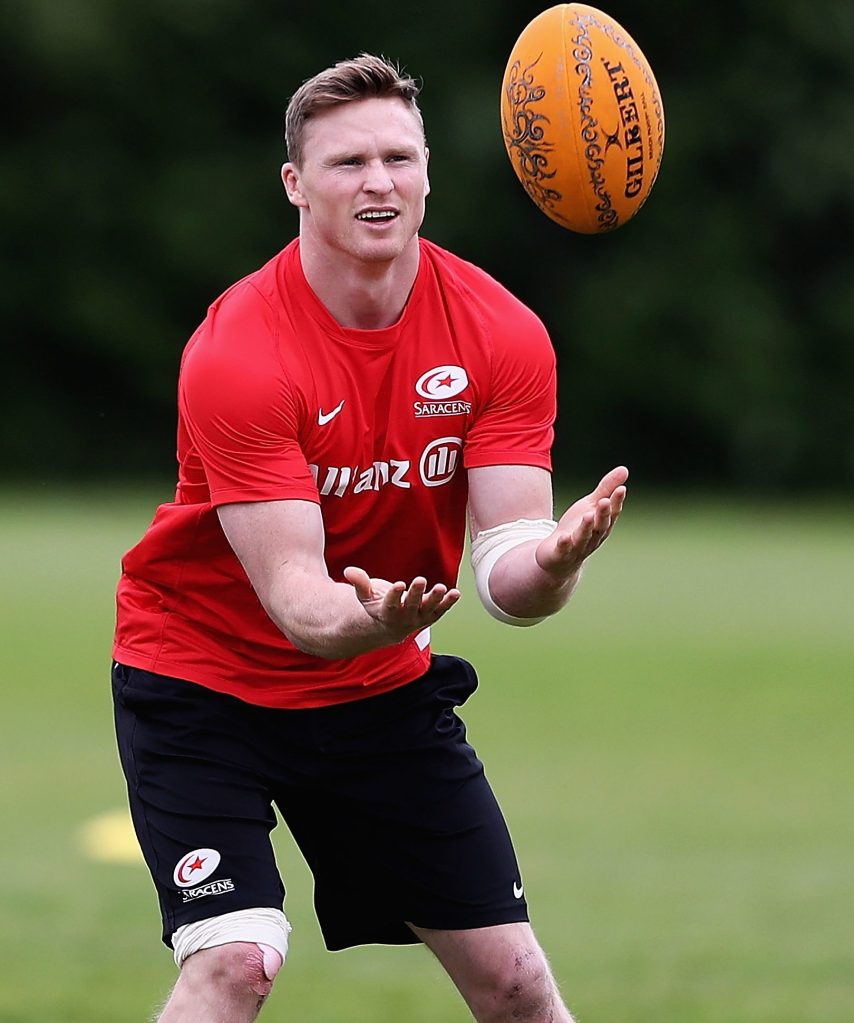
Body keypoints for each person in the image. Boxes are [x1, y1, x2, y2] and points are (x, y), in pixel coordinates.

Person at [112, 53, 628, 1023]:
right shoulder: (239, 353)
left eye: (399, 157)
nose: (378, 182)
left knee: (516, 982)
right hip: (204, 685)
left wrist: (553, 564)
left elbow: (506, 578)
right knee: (235, 963)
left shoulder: (501, 333)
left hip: (376, 697)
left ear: (430, 172)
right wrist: (371, 617)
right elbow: (303, 604)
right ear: (295, 185)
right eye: (347, 163)